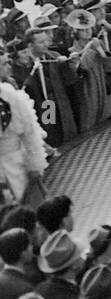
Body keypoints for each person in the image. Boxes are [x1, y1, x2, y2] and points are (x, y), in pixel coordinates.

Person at [0, 64, 46, 207]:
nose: (8, 66)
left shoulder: (8, 95)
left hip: (15, 163)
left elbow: (29, 132)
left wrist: (35, 165)